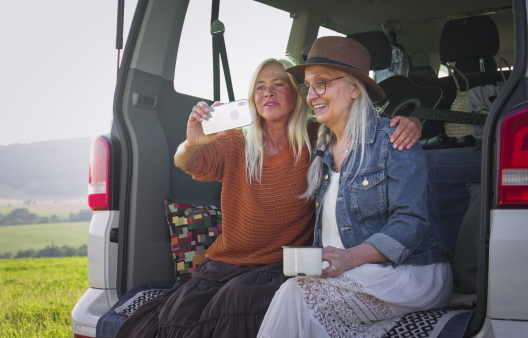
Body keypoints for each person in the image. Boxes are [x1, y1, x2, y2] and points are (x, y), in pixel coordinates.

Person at [114, 55, 422, 338]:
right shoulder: (236, 141)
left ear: (297, 94)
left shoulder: (318, 138)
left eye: (278, 85)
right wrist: (192, 141)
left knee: (234, 304)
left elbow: (359, 130)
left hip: (281, 265)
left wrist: (411, 123)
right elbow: (186, 162)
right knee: (175, 315)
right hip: (225, 263)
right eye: (260, 87)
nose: (268, 93)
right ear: (252, 98)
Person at [257, 36, 453, 338]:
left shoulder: (395, 139)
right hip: (348, 272)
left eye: (321, 82)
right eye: (307, 86)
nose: (310, 95)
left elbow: (411, 222)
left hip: (409, 272)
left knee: (295, 295)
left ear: (353, 88)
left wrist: (349, 258)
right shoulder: (319, 147)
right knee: (290, 292)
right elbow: (271, 129)